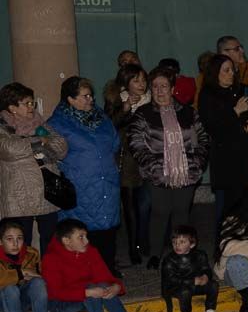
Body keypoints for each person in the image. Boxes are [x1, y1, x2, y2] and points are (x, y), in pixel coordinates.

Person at [129, 67, 210, 270]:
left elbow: (202, 139)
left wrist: (196, 163)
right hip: (157, 173)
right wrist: (153, 166)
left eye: (164, 86)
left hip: (187, 172)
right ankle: (155, 254)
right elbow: (136, 142)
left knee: (182, 213)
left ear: (172, 88)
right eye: (155, 86)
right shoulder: (143, 113)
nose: (159, 90)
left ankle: (181, 253)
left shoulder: (189, 112)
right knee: (160, 212)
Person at [48, 77, 122, 276]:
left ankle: (107, 270)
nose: (90, 100)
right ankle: (85, 273)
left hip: (107, 183)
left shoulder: (102, 118)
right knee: (84, 231)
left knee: (108, 230)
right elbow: (52, 153)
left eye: (91, 95)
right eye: (85, 96)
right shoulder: (57, 123)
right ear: (70, 99)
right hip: (80, 185)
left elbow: (115, 143)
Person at [42, 218, 149, 312]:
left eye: (86, 236)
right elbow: (56, 292)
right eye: (81, 237)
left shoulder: (90, 251)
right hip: (62, 303)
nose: (86, 241)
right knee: (91, 290)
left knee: (103, 286)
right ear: (66, 241)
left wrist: (116, 287)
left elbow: (105, 278)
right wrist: (87, 293)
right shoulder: (51, 258)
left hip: (87, 297)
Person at [198, 53, 248, 240]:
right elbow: (211, 126)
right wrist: (235, 111)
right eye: (225, 70)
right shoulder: (208, 95)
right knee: (227, 207)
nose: (231, 74)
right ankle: (224, 245)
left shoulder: (244, 90)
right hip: (225, 159)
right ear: (215, 73)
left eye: (232, 70)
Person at [0, 82, 70, 254]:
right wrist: (39, 142)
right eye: (27, 103)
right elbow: (9, 149)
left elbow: (61, 146)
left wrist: (33, 144)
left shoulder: (39, 123)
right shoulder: (3, 126)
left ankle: (49, 273)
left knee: (50, 238)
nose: (32, 107)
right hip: (19, 195)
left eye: (33, 103)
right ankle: (25, 277)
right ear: (12, 107)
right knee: (22, 242)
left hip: (46, 191)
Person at [105, 63, 152, 264]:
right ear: (126, 83)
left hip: (150, 158)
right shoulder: (117, 101)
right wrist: (126, 109)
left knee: (147, 203)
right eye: (136, 80)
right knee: (131, 206)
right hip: (128, 160)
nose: (141, 84)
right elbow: (110, 126)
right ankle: (133, 246)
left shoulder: (152, 99)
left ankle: (144, 240)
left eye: (143, 80)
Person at [0, 219, 56, 312]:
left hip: (22, 302)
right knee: (9, 288)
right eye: (9, 239)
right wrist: (21, 273)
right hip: (3, 305)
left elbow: (40, 276)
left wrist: (35, 276)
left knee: (38, 283)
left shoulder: (31, 253)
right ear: (0, 242)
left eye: (19, 238)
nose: (15, 243)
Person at [161, 225, 221, 312]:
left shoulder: (200, 255)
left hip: (194, 284)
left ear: (192, 244)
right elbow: (171, 279)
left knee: (213, 285)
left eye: (182, 242)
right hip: (176, 287)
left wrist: (205, 277)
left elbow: (206, 269)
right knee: (185, 291)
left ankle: (209, 311)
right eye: (174, 242)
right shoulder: (169, 259)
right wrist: (192, 281)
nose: (177, 245)